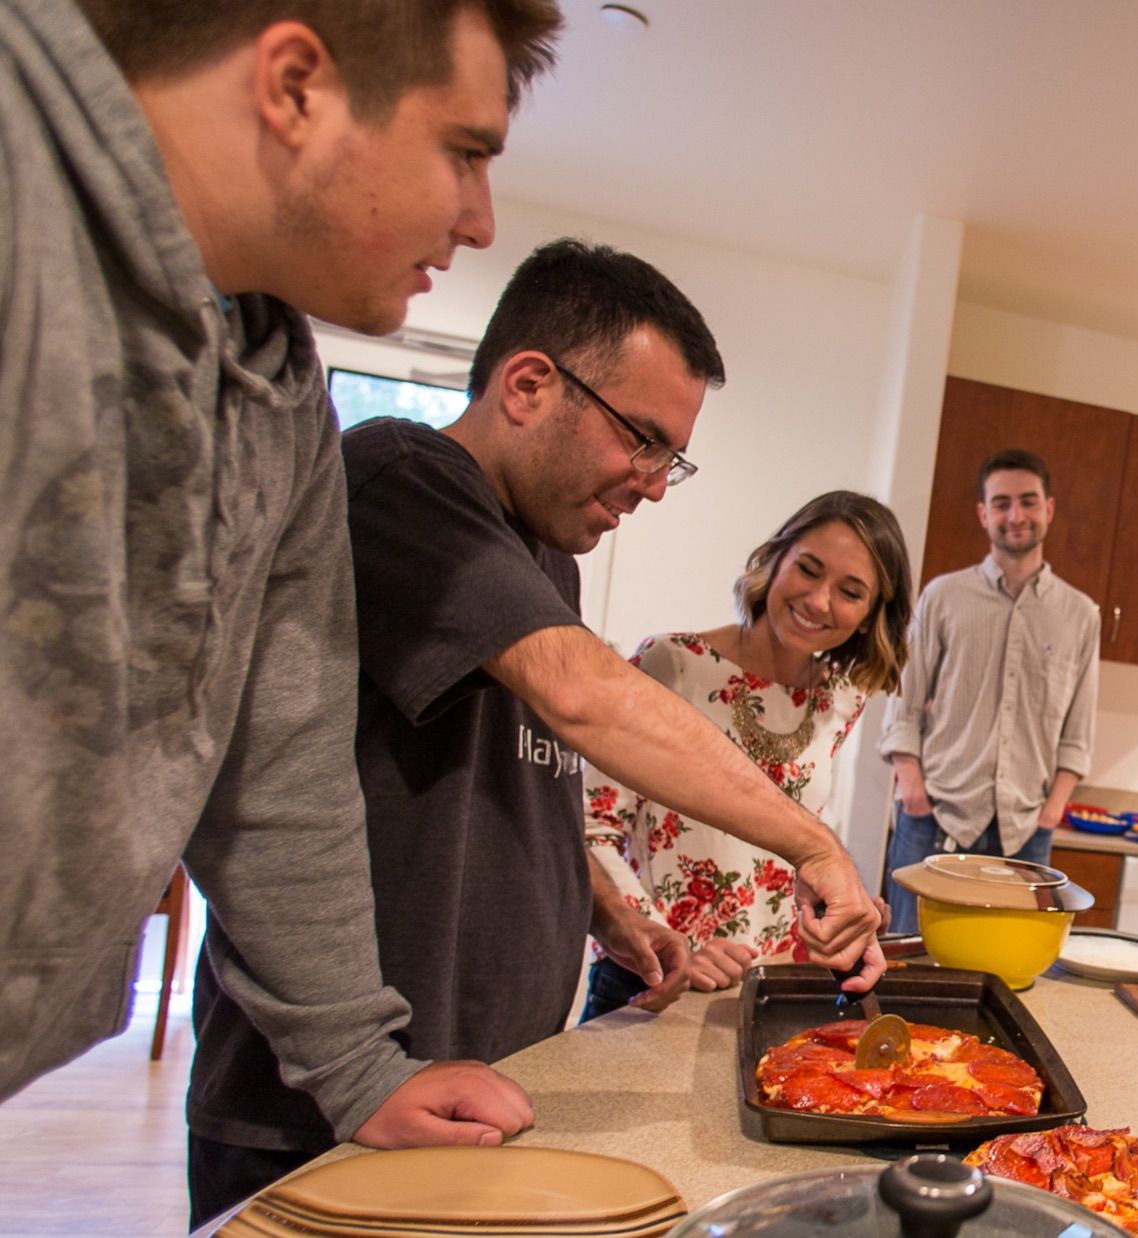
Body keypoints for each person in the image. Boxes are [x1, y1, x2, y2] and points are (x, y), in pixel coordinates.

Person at [185, 240, 887, 1224]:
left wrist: (609, 912)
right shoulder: (399, 478)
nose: (653, 482)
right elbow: (582, 698)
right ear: (527, 386)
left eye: (670, 458)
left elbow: (528, 775)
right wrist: (816, 845)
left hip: (479, 1079)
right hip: (321, 1103)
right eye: (642, 439)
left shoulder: (546, 554)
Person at [0, 0, 560, 1148]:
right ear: (296, 85)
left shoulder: (284, 394)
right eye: (464, 152)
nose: (479, 220)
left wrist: (356, 1061)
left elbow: (279, 753)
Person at [581, 491, 915, 1019]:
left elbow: (791, 835)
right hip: (648, 981)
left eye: (850, 592)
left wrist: (836, 906)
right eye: (808, 569)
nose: (819, 600)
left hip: (769, 983)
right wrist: (666, 944)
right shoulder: (674, 664)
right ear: (774, 560)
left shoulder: (841, 699)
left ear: (870, 616)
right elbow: (591, 827)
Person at [878, 450, 1100, 935]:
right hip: (935, 818)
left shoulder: (1080, 615)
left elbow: (1078, 731)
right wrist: (912, 790)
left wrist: (1052, 810)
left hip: (1027, 830)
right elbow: (903, 703)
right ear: (983, 514)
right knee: (909, 957)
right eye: (1001, 503)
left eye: (1028, 501)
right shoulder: (943, 597)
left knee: (1009, 964)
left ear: (1049, 509)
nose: (1015, 515)